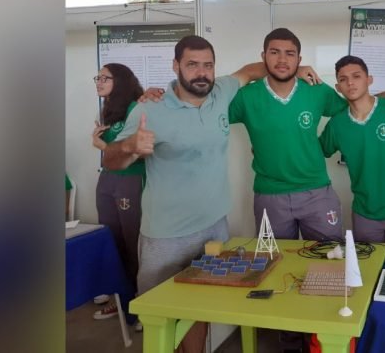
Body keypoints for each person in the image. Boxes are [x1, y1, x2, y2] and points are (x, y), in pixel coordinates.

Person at [102, 35, 305, 353]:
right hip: (166, 236)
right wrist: (129, 146)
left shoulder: (221, 90)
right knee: (162, 318)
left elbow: (251, 71)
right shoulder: (152, 110)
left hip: (214, 228)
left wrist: (295, 68)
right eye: (192, 64)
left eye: (207, 65)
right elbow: (110, 160)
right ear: (176, 66)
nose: (201, 73)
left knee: (200, 310)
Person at [228, 28, 385, 243]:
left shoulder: (316, 90)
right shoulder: (246, 97)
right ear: (263, 56)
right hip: (270, 195)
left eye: (290, 54)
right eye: (275, 52)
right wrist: (249, 72)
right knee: (276, 264)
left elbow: (355, 106)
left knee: (328, 260)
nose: (282, 59)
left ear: (299, 59)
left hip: (317, 193)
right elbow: (209, 103)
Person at [319, 55, 385, 256]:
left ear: (369, 79)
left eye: (356, 76)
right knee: (368, 273)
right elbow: (315, 151)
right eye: (343, 79)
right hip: (365, 214)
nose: (350, 82)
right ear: (338, 87)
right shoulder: (337, 124)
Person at [91, 62, 145, 322]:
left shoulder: (137, 107)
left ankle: (138, 306)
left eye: (105, 77)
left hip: (130, 181)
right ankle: (121, 301)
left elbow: (129, 150)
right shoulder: (109, 110)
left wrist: (100, 144)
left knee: (132, 243)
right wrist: (102, 143)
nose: (99, 81)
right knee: (111, 242)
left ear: (120, 81)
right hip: (108, 180)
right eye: (98, 78)